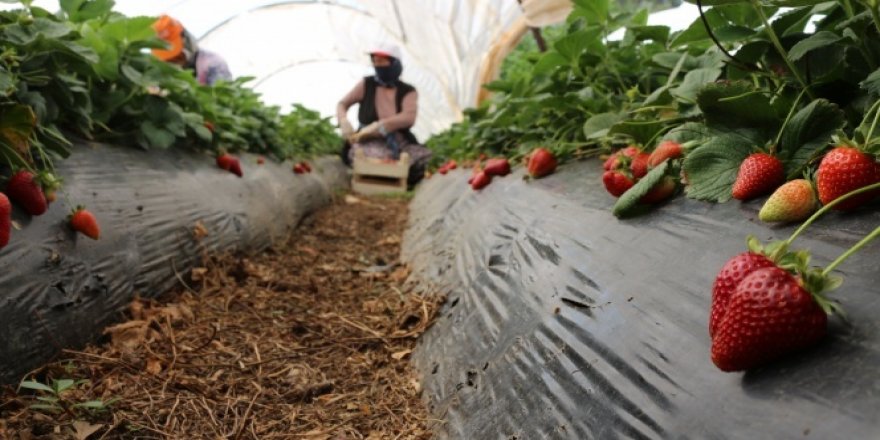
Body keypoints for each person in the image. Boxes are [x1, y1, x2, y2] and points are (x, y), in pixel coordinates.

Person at [337, 43, 431, 185]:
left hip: (398, 141)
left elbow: (408, 117)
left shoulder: (408, 91)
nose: (378, 65)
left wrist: (381, 126)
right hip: (367, 141)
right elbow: (342, 104)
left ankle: (398, 177)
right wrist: (343, 121)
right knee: (373, 157)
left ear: (394, 64)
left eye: (382, 61)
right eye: (375, 61)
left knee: (424, 158)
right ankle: (382, 176)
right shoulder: (366, 84)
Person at [152, 15, 232, 86]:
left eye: (178, 55)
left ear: (187, 40)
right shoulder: (161, 74)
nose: (173, 59)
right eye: (167, 59)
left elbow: (223, 97)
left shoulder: (212, 64)